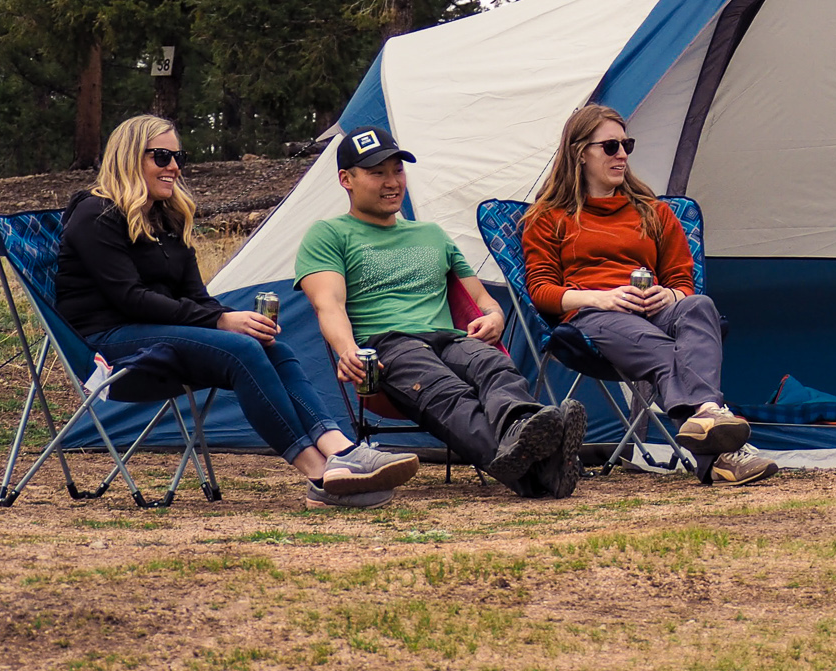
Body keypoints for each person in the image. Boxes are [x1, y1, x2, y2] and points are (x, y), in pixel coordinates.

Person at [57, 115, 418, 510]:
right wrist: (220, 321)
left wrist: (236, 320)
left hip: (159, 337)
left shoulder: (166, 216)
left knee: (268, 346)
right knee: (240, 350)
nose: (174, 167)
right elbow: (130, 298)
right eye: (161, 156)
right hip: (106, 348)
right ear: (128, 157)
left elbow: (196, 295)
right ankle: (320, 476)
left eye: (178, 156)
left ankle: (342, 451)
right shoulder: (96, 214)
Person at [294, 126, 587, 497]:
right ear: (345, 179)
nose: (391, 182)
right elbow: (328, 304)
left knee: (493, 365)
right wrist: (347, 350)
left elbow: (481, 300)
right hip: (389, 347)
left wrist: (494, 317)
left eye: (397, 170)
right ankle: (540, 467)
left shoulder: (432, 234)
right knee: (447, 390)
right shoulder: (329, 235)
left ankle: (522, 429)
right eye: (376, 172)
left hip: (450, 338)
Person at [521, 103, 776, 486]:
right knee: (665, 351)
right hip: (595, 319)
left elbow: (682, 281)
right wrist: (598, 298)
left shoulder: (654, 213)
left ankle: (706, 414)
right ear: (580, 152)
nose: (622, 154)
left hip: (653, 311)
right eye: (610, 146)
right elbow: (541, 291)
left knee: (699, 306)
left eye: (627, 144)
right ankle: (721, 445)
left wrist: (669, 296)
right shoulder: (548, 218)